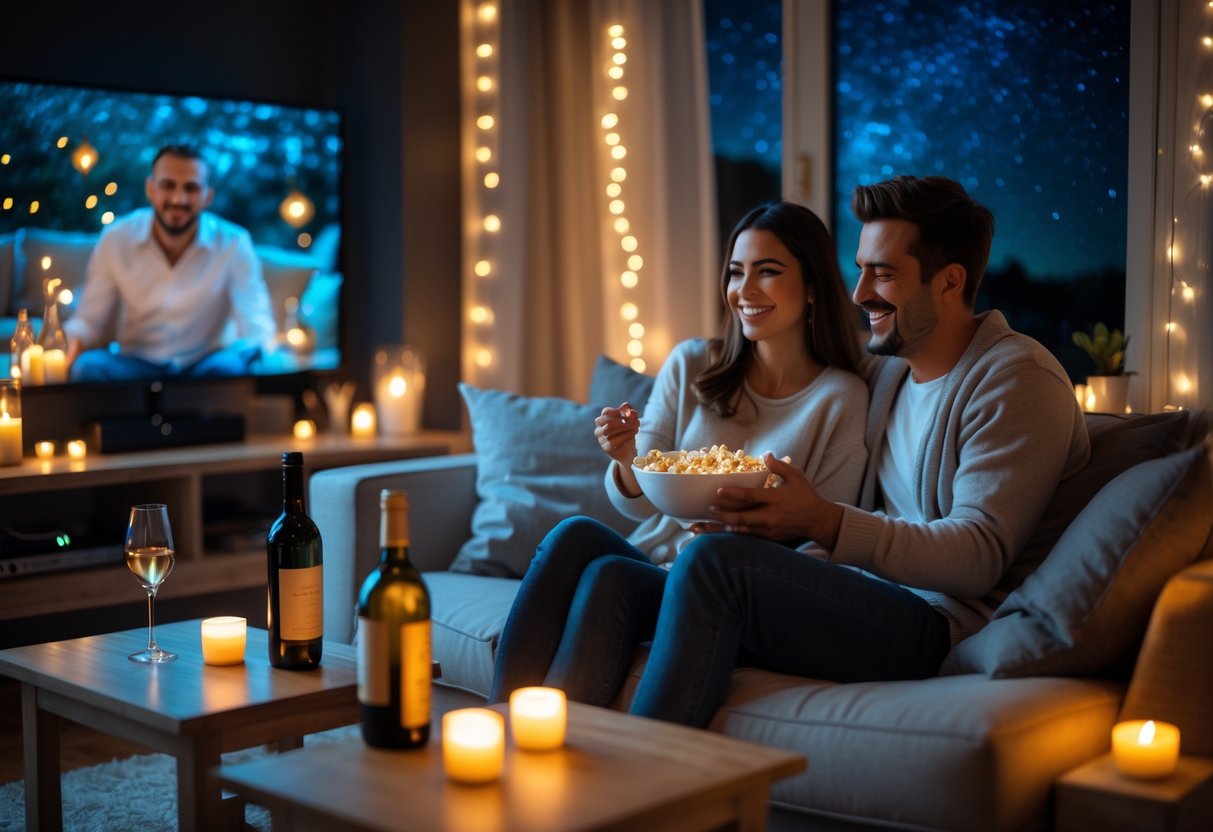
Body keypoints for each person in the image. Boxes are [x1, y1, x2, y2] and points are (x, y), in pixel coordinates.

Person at [614, 175, 1092, 728]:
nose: (860, 292)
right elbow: (792, 359)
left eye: (883, 273)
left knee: (712, 563)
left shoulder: (1016, 379)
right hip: (856, 593)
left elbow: (978, 555)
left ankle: (647, 782)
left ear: (950, 282)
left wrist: (823, 520)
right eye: (860, 267)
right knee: (599, 558)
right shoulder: (887, 373)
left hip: (934, 623)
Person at [488, 201, 871, 705]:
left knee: (609, 575)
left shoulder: (840, 398)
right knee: (575, 534)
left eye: (768, 272)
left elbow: (826, 536)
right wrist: (626, 457)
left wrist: (747, 535)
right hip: (656, 562)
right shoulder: (693, 364)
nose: (745, 291)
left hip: (728, 585)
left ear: (815, 285)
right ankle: (498, 724)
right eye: (736, 272)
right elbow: (641, 496)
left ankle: (562, 752)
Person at [65, 144, 276, 380]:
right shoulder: (116, 237)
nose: (178, 199)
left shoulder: (235, 242)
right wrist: (67, 343)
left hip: (207, 365)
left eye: (191, 188)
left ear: (208, 196)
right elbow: (90, 321)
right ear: (150, 189)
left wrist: (263, 358)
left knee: (231, 368)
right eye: (168, 185)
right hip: (134, 364)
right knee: (88, 367)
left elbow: (256, 322)